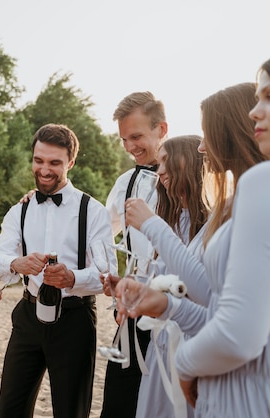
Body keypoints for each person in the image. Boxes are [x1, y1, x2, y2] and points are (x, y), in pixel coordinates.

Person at [118, 75, 269, 416]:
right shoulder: (236, 203)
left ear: (230, 133)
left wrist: (184, 364)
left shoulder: (255, 194)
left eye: (208, 135)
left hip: (240, 389)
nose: (202, 147)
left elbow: (234, 328)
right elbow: (215, 307)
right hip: (215, 380)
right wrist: (164, 305)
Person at [0, 124, 115, 418]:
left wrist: (72, 278)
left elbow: (107, 273)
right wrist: (16, 263)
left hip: (75, 319)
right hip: (27, 317)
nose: (44, 170)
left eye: (54, 163)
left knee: (72, 410)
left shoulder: (93, 211)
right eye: (38, 161)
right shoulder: (19, 210)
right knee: (10, 408)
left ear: (71, 162)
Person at [121, 135, 208, 418]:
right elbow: (164, 279)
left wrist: (151, 225)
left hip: (193, 347)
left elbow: (199, 288)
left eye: (166, 162)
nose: (159, 172)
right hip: (162, 347)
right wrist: (135, 289)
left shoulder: (212, 223)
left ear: (192, 161)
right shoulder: (175, 217)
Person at [100, 91, 168, 418]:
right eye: (124, 139)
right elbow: (98, 233)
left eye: (136, 136)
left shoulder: (194, 172)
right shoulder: (126, 181)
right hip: (132, 306)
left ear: (162, 129)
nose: (130, 147)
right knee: (118, 398)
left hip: (175, 307)